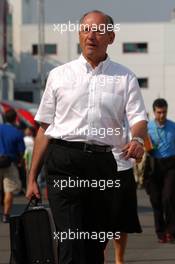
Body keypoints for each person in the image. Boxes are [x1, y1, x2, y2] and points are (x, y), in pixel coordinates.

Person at [26, 10, 147, 264]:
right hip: (64, 162)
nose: (91, 35)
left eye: (99, 31)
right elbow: (44, 127)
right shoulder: (59, 75)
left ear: (111, 37)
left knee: (94, 247)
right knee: (71, 242)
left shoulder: (125, 77)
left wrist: (136, 140)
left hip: (104, 166)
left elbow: (138, 119)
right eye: (86, 30)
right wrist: (31, 178)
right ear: (79, 35)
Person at [111, 119, 142, 264]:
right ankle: (100, 258)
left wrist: (137, 153)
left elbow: (140, 155)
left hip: (124, 171)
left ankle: (119, 260)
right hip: (100, 171)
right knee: (100, 220)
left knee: (121, 222)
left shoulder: (131, 122)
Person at [146, 98, 175, 243]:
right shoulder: (148, 127)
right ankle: (161, 232)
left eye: (164, 112)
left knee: (168, 198)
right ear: (154, 112)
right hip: (153, 165)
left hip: (171, 165)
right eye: (159, 112)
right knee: (156, 200)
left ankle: (171, 231)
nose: (162, 115)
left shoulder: (173, 127)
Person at [0, 109, 25, 223]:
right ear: (15, 118)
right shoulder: (17, 132)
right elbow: (21, 152)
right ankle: (6, 215)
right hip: (9, 163)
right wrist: (19, 162)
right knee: (8, 190)